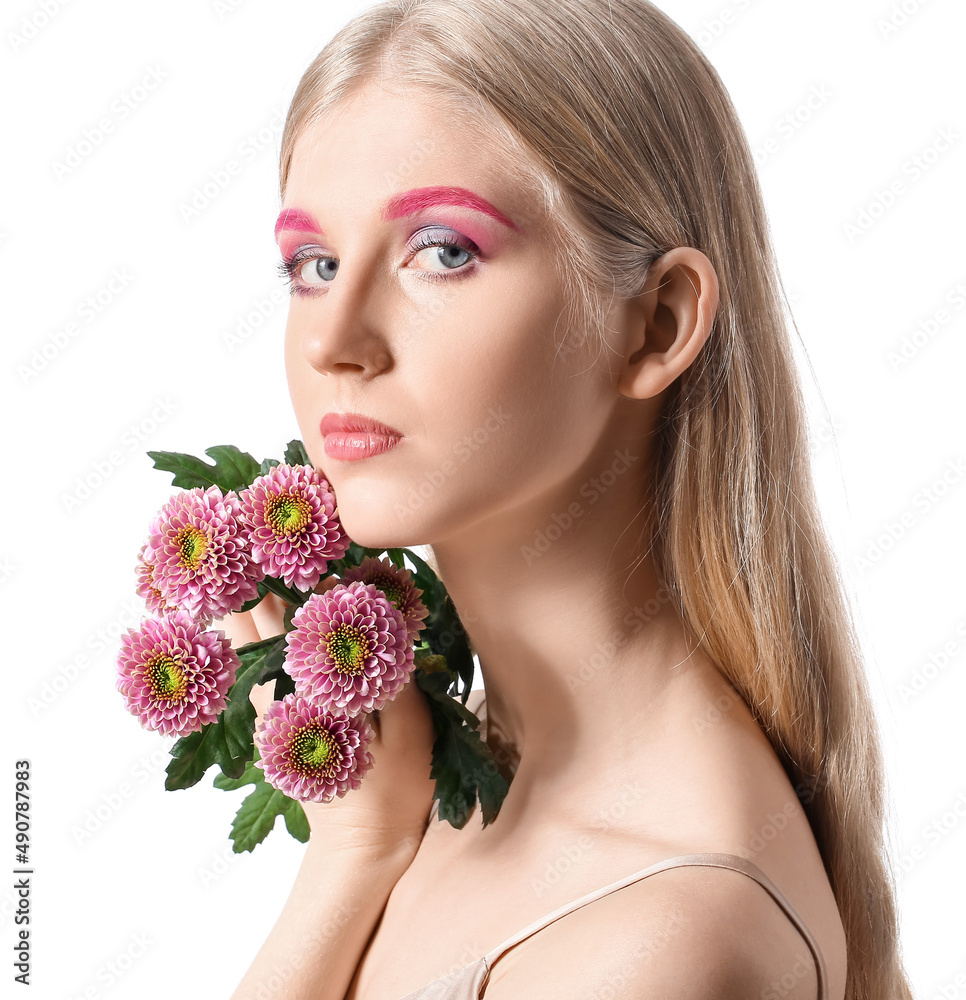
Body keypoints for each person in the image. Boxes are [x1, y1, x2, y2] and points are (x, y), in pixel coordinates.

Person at [221, 1, 915, 997]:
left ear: (657, 325)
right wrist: (352, 859)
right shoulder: (429, 785)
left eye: (442, 251)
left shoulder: (662, 940)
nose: (337, 340)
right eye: (315, 265)